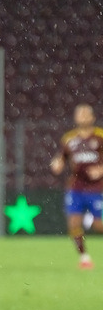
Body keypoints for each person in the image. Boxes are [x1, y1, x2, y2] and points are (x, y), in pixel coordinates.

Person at [49, 103, 103, 269]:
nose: (83, 117)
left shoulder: (100, 136)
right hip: (76, 187)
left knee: (99, 225)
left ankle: (90, 220)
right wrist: (57, 163)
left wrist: (101, 169)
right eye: (80, 114)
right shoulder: (69, 138)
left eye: (86, 114)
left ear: (93, 117)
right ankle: (84, 258)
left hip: (97, 188)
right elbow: (61, 158)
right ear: (75, 117)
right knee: (73, 223)